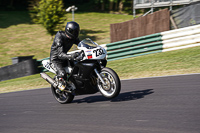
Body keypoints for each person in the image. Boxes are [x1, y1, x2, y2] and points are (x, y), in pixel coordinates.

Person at [50, 21, 81, 91]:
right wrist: (71, 56)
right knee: (63, 74)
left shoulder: (73, 37)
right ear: (69, 31)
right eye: (75, 32)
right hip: (56, 59)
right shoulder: (59, 37)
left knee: (78, 66)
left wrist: (90, 47)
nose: (76, 33)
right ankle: (59, 86)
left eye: (77, 31)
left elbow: (81, 44)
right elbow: (60, 54)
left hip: (65, 58)